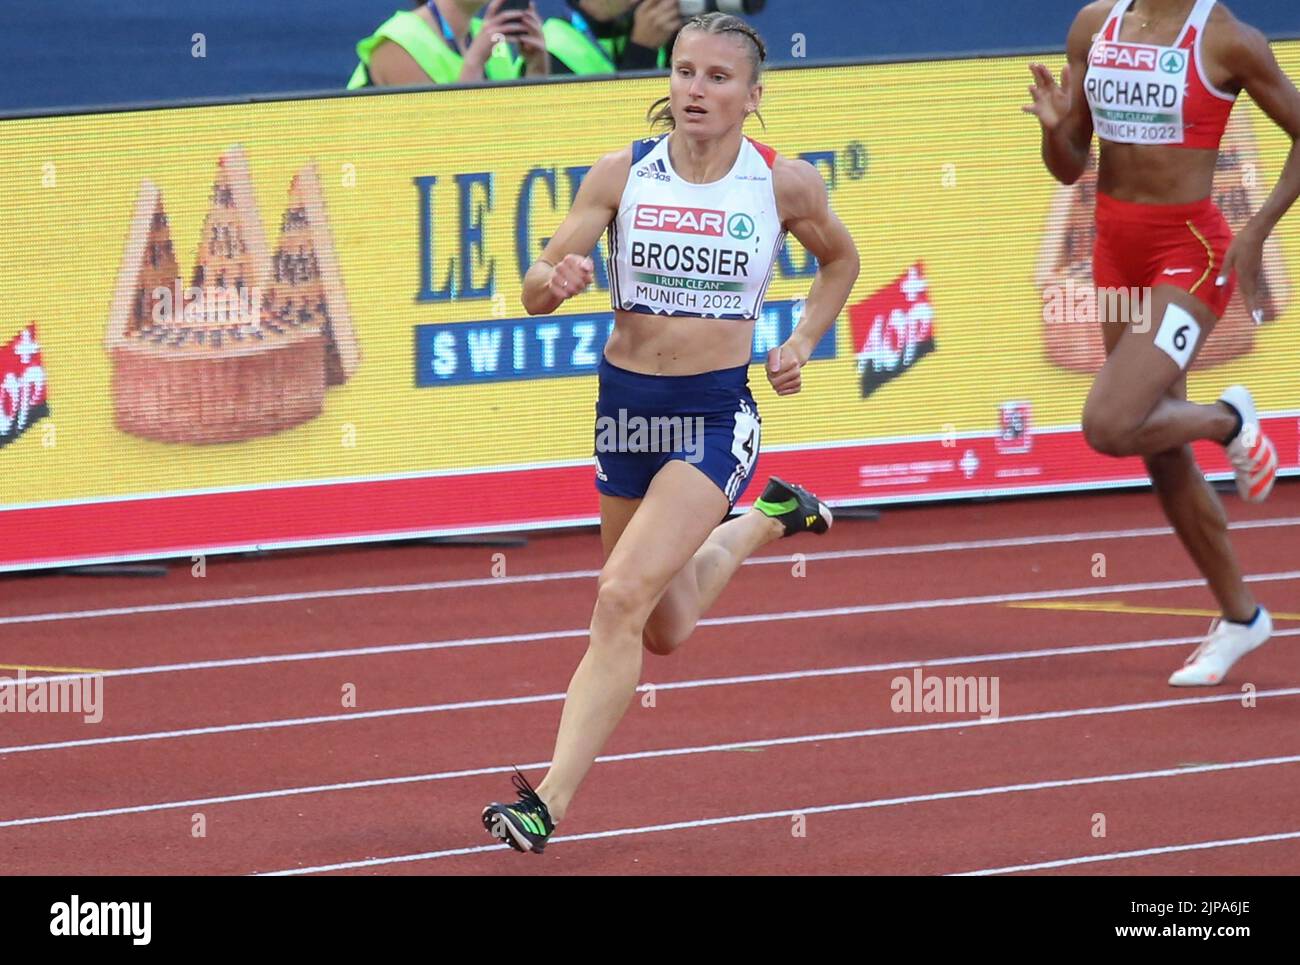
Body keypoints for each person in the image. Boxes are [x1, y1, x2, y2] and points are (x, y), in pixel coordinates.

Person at [480, 12, 860, 853]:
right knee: (664, 626)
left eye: (718, 78)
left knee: (618, 596)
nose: (696, 89)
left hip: (716, 415)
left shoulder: (781, 185)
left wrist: (799, 340)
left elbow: (842, 261)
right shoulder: (622, 174)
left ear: (752, 97)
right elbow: (536, 285)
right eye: (686, 72)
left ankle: (546, 801)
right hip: (626, 412)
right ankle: (771, 517)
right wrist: (561, 277)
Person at [1024, 0, 1300, 685]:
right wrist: (1058, 131)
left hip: (1192, 251)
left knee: (1110, 421)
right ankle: (1242, 617)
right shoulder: (1096, 26)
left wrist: (1260, 227)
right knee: (1157, 443)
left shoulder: (1230, 40)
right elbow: (1068, 166)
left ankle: (1229, 420)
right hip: (1115, 248)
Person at [347, 0, 548, 89]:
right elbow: (437, 148)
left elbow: (515, 130)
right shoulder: (399, 40)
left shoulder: (493, 38)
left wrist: (536, 68)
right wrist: (473, 65)